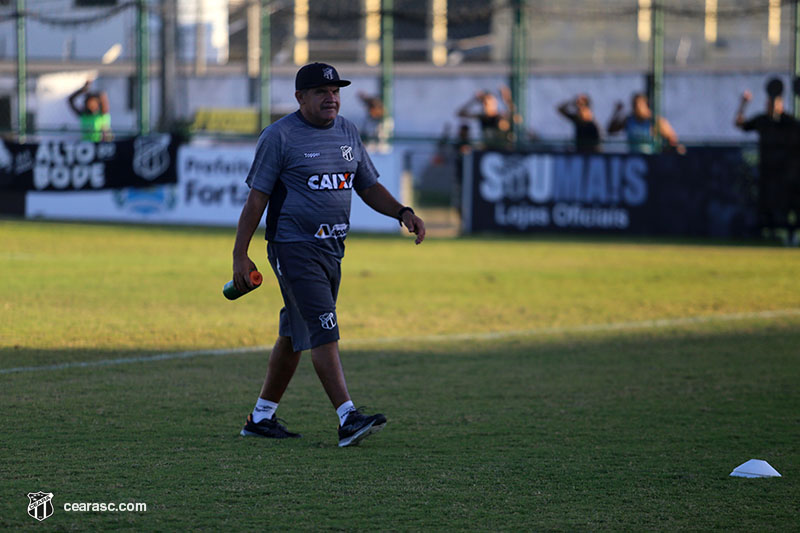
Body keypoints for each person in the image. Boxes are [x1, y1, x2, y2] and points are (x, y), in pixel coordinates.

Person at [232, 62, 426, 447]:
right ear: (300, 97)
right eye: (322, 92)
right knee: (324, 327)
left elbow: (368, 186)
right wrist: (241, 253)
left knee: (294, 333)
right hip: (293, 247)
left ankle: (261, 417)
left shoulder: (348, 131)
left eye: (336, 91)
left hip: (331, 250)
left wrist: (403, 212)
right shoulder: (280, 137)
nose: (332, 98)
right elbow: (257, 199)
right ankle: (347, 417)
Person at [734, 78, 800, 244]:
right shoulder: (762, 121)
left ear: (781, 104)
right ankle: (768, 236)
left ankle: (791, 235)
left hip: (787, 176)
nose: (771, 106)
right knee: (766, 207)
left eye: (775, 103)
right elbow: (739, 124)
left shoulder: (789, 122)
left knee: (790, 207)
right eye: (769, 103)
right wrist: (743, 104)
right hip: (767, 174)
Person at [607, 92, 683, 154]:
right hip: (633, 159)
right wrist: (616, 113)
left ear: (645, 105)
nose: (635, 108)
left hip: (651, 161)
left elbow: (672, 139)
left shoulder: (655, 121)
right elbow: (610, 131)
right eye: (633, 105)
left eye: (638, 105)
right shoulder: (629, 120)